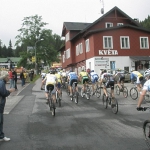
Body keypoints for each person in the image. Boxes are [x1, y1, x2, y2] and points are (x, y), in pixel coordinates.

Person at [0, 71, 15, 142]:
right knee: (0, 121)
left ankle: (1, 136)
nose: (9, 78)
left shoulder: (2, 82)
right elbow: (3, 93)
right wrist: (9, 91)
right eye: (8, 76)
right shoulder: (1, 83)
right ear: (5, 77)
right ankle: (1, 136)